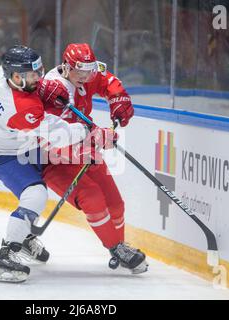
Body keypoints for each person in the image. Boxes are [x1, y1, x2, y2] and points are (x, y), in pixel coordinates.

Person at [37, 43, 148, 274]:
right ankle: (116, 247)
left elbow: (107, 81)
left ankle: (118, 247)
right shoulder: (54, 90)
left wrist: (118, 99)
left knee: (116, 204)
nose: (86, 77)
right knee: (93, 198)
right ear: (67, 67)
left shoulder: (86, 74)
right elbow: (53, 141)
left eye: (90, 71)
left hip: (87, 148)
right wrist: (94, 140)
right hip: (55, 161)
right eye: (81, 71)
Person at [0, 45, 91, 283]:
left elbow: (36, 100)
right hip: (7, 155)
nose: (39, 78)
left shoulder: (1, 75)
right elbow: (55, 131)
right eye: (34, 76)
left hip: (23, 145)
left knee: (42, 185)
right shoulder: (21, 108)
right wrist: (84, 129)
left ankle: (23, 237)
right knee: (35, 195)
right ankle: (5, 257)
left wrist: (42, 87)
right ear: (15, 77)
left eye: (39, 72)